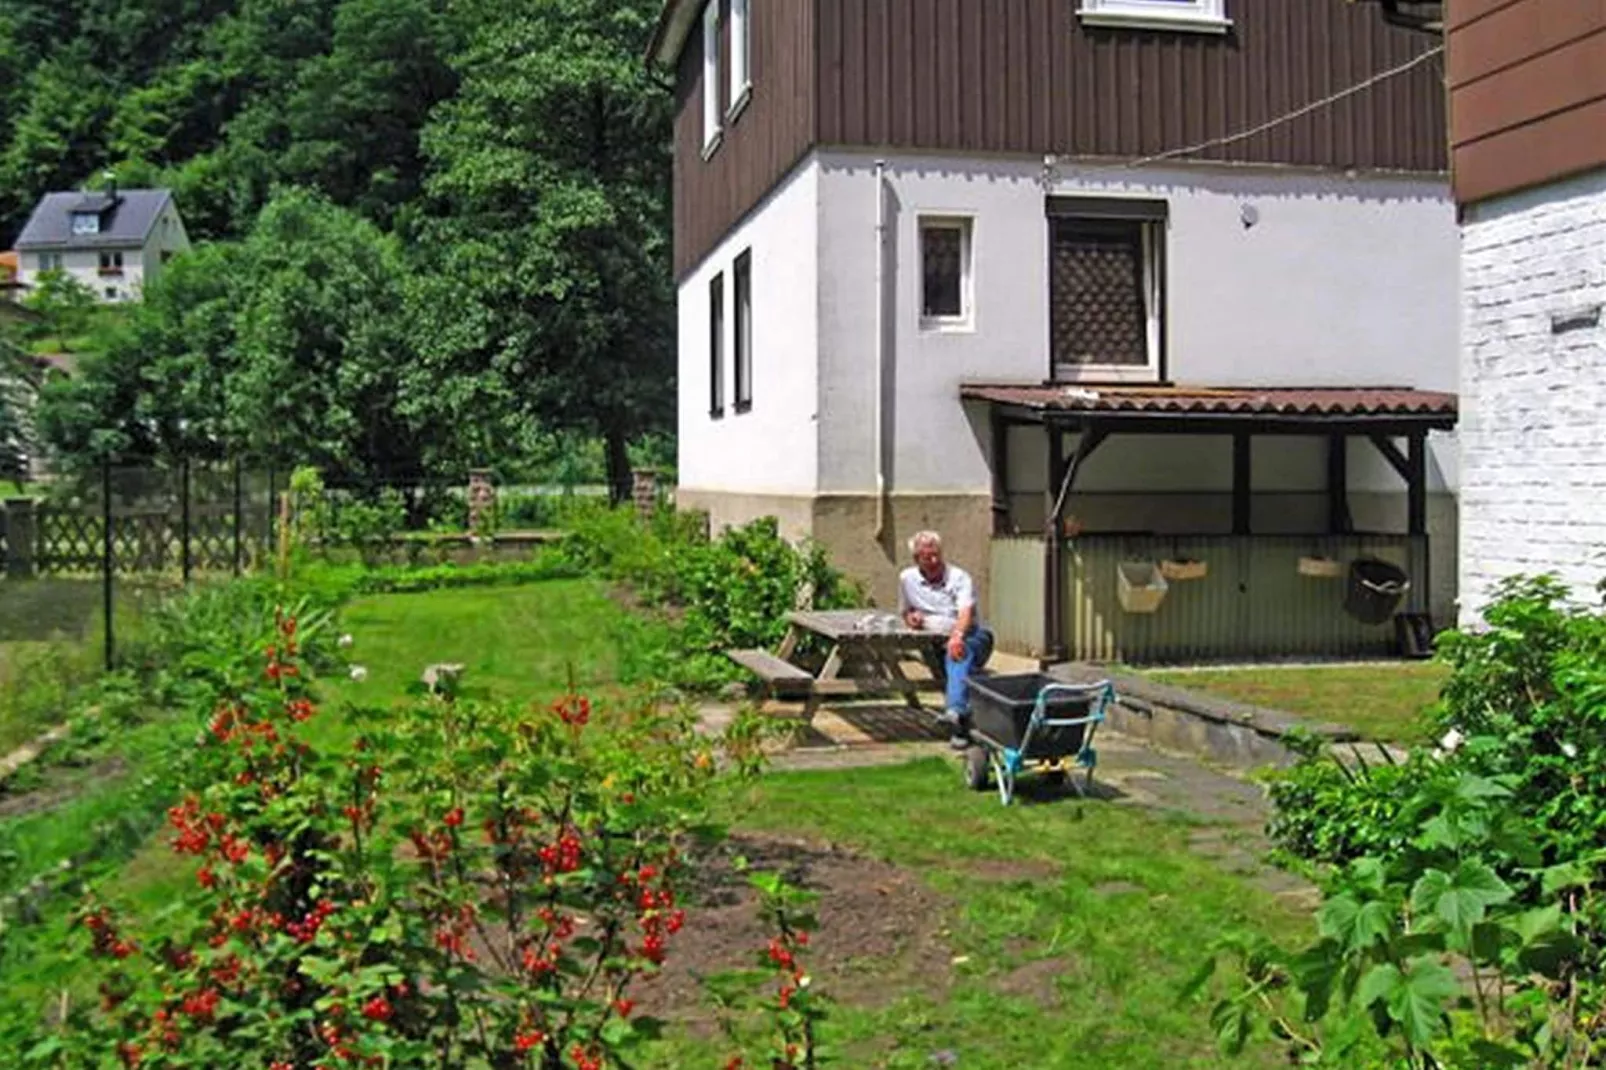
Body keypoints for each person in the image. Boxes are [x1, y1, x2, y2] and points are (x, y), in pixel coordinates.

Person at [898, 530, 994, 749]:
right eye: (927, 557)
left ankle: (955, 711)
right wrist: (911, 618)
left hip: (973, 635)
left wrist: (957, 636)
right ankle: (960, 729)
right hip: (936, 641)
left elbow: (965, 614)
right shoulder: (907, 579)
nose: (933, 561)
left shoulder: (959, 577)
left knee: (958, 654)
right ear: (916, 559)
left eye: (936, 555)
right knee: (958, 668)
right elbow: (905, 611)